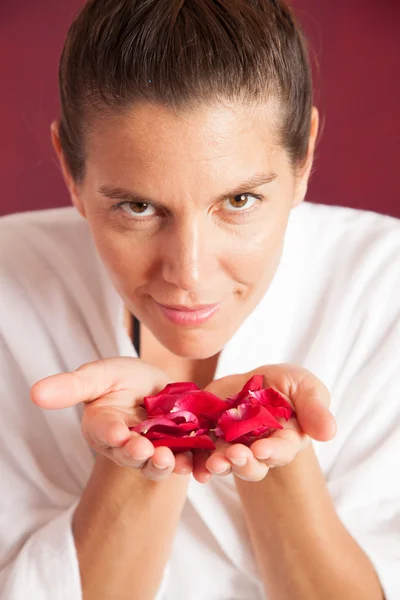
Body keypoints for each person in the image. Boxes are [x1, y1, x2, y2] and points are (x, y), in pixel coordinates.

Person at [0, 0, 399, 598]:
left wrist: (275, 459)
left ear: (305, 158)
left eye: (239, 201)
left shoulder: (385, 286)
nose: (187, 274)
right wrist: (143, 456)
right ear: (70, 171)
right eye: (137, 207)